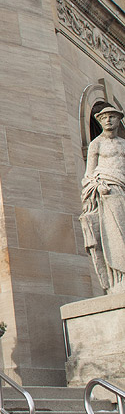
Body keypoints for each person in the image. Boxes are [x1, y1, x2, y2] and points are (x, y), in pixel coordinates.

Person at [81, 104, 125, 293]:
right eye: (104, 117)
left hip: (122, 189)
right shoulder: (96, 144)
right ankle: (119, 276)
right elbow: (89, 175)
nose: (108, 120)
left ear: (118, 120)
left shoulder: (123, 143)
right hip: (107, 192)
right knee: (114, 233)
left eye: (112, 117)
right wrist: (97, 186)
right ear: (99, 121)